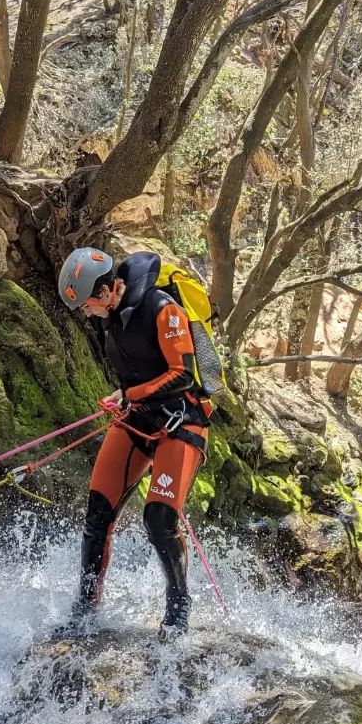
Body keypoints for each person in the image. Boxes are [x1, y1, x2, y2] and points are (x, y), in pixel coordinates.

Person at [57, 247, 212, 639]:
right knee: (98, 513)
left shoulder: (163, 309)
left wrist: (133, 394)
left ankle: (178, 607)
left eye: (87, 304)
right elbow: (141, 367)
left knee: (158, 519)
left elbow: (183, 375)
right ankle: (86, 606)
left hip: (182, 422)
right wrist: (122, 394)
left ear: (107, 290)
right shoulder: (112, 316)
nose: (85, 313)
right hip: (137, 419)